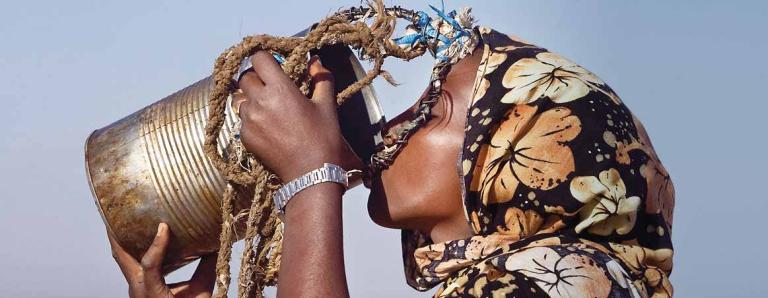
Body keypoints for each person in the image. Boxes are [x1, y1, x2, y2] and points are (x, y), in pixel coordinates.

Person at [108, 26, 674, 297]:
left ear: (508, 158)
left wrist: (311, 179)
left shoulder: (573, 283)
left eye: (434, 109)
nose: (395, 126)